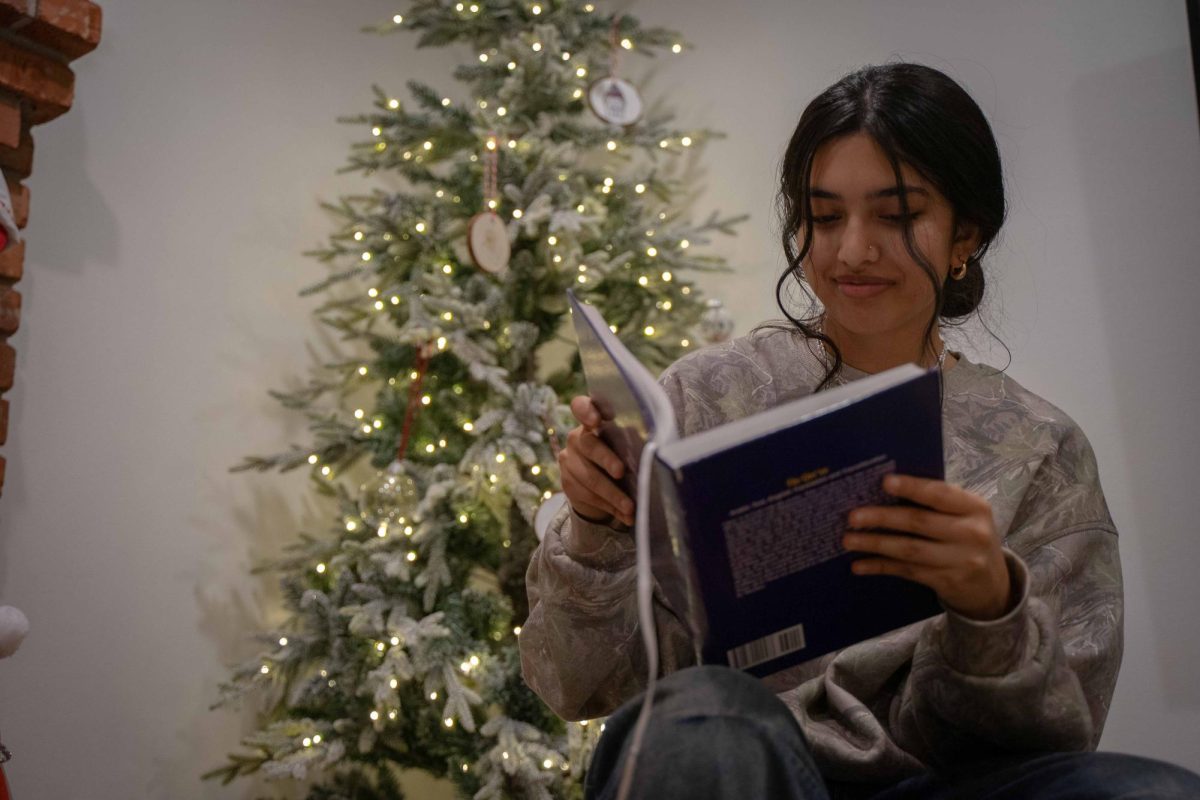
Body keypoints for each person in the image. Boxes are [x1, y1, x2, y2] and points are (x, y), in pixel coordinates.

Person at [519, 62, 1200, 799]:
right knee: (708, 716)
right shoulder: (708, 394)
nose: (851, 252)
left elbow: (1061, 740)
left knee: (1151, 790)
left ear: (963, 233)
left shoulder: (1038, 449)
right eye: (825, 216)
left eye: (897, 216)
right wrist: (594, 525)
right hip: (743, 767)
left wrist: (989, 605)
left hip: (939, 782)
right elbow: (573, 683)